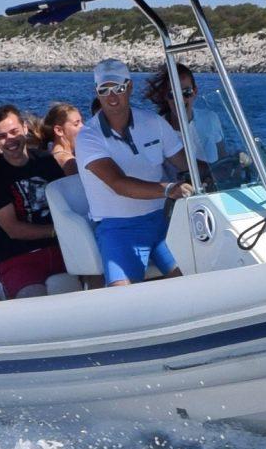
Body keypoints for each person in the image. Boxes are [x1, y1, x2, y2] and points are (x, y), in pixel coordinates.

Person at [77, 59, 189, 286]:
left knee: (192, 276)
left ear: (129, 87)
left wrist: (227, 169)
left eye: (118, 88)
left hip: (162, 222)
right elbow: (119, 184)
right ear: (96, 92)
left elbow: (186, 163)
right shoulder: (88, 136)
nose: (112, 96)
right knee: (122, 295)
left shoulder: (154, 122)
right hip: (118, 227)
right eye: (104, 90)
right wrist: (169, 189)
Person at [0, 105, 72, 298]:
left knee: (97, 271)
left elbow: (66, 199)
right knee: (33, 298)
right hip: (17, 258)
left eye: (14, 132)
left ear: (25, 128)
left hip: (60, 248)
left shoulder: (46, 161)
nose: (9, 139)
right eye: (2, 136)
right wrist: (58, 230)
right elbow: (14, 229)